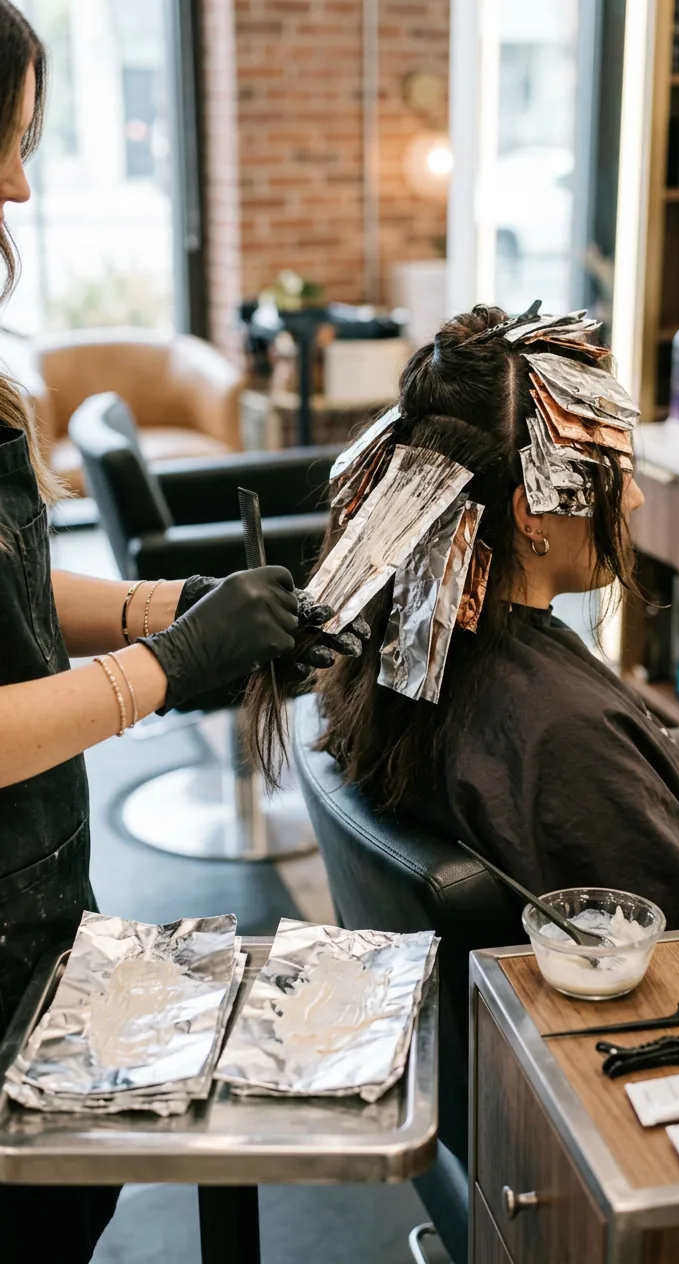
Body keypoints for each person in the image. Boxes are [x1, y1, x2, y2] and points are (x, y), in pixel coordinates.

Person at [0, 8, 362, 1260]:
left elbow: (12, 588)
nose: (20, 180)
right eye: (7, 139)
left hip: (36, 895)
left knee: (74, 1200)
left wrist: (169, 606)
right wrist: (161, 671)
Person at [312, 303, 679, 928]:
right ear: (531, 513)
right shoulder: (561, 733)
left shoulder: (409, 647)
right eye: (615, 478)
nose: (637, 499)